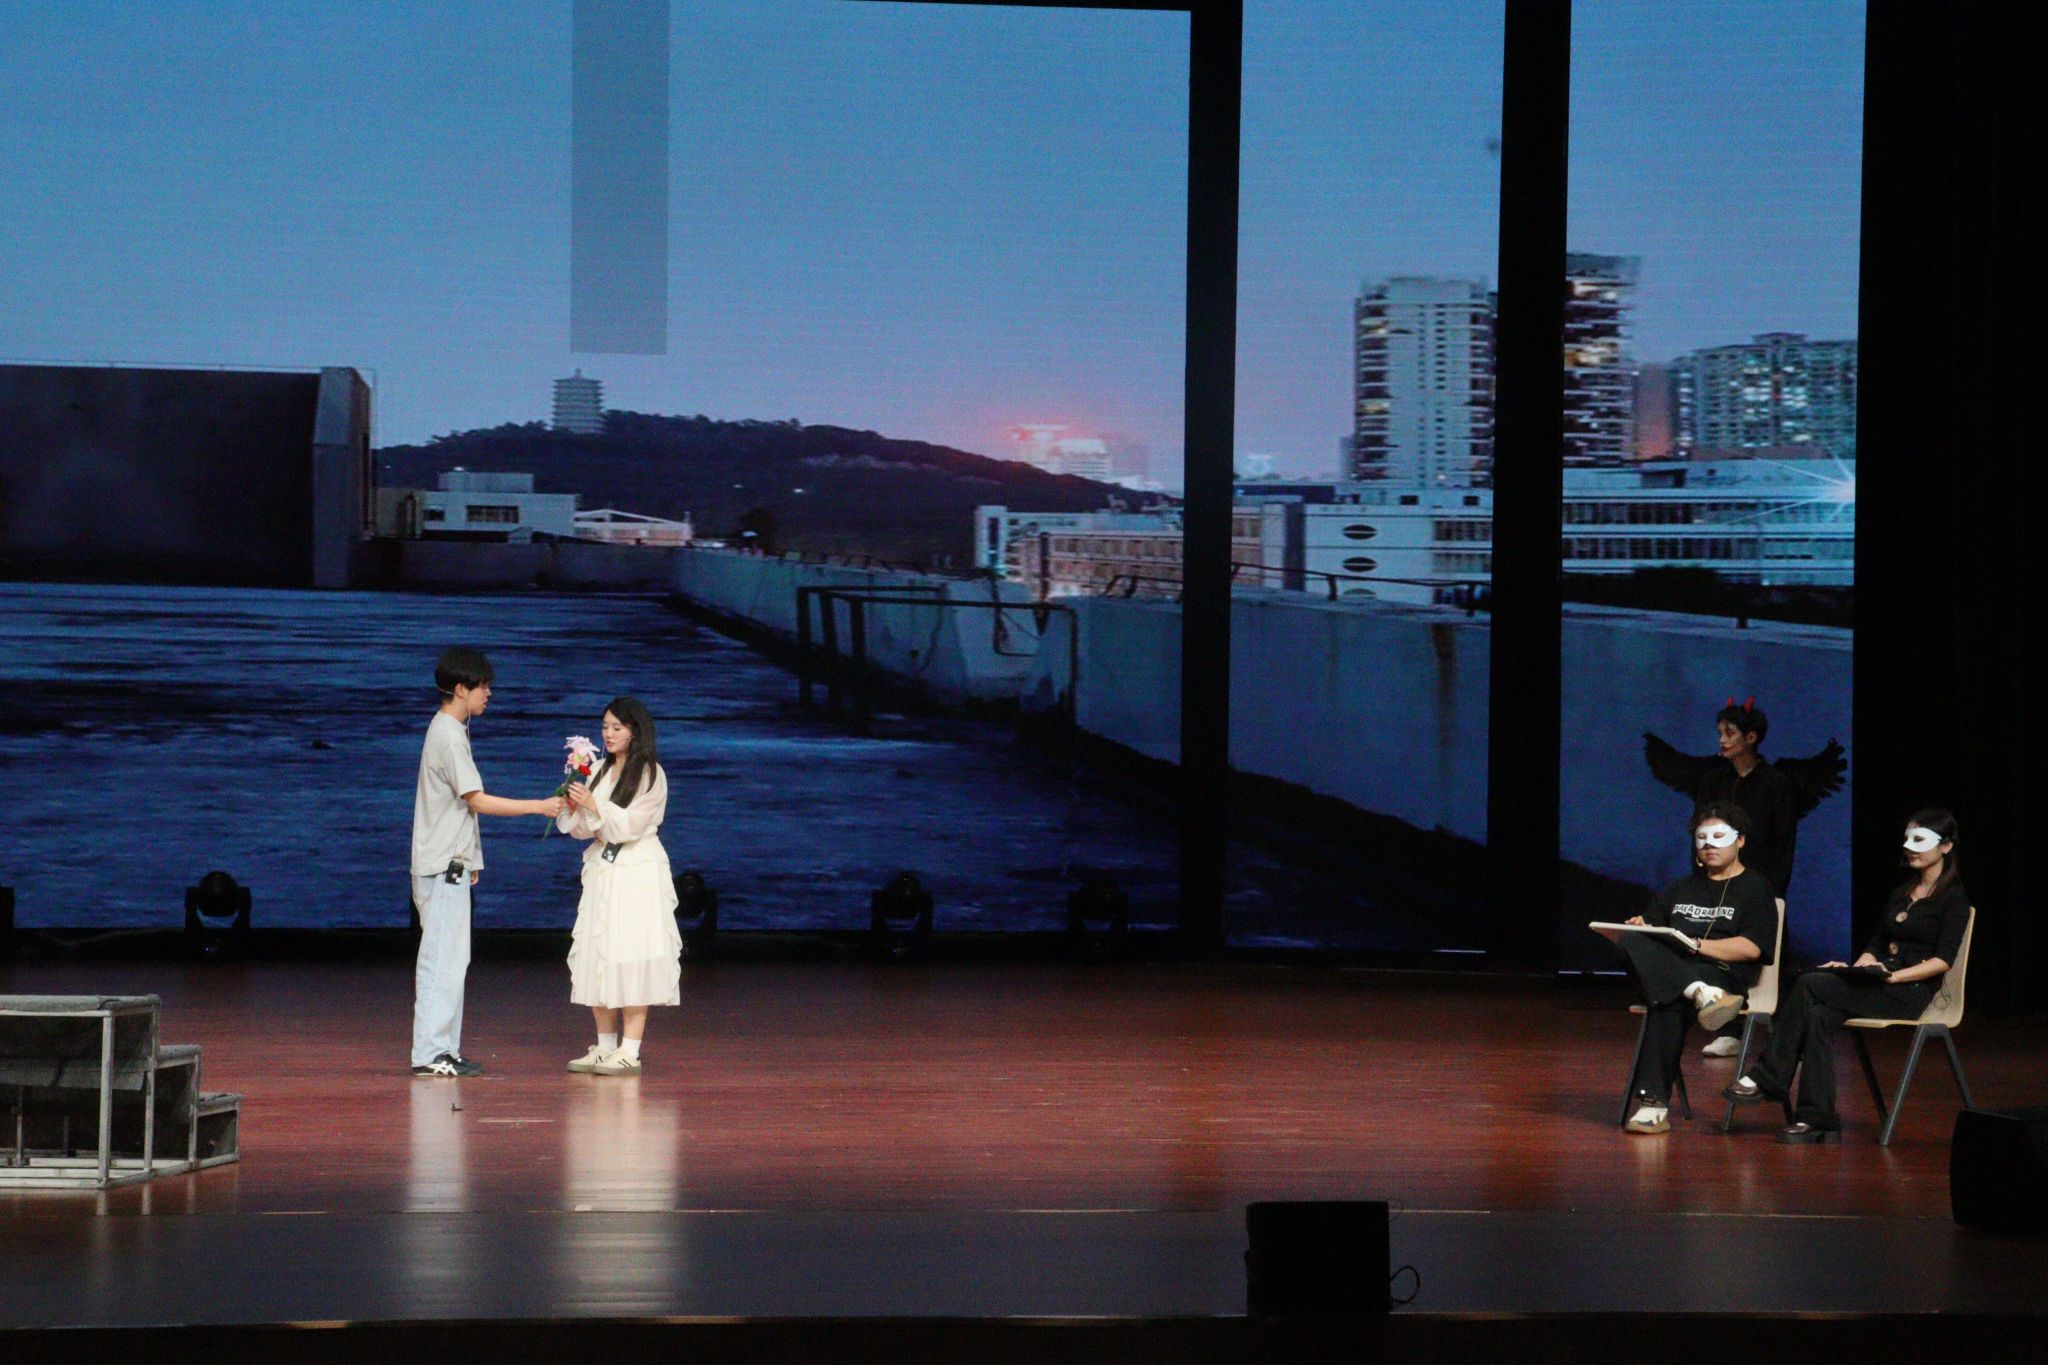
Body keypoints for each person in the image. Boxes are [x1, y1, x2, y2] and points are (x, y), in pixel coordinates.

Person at [1724, 809, 1969, 1143]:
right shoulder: (1901, 893)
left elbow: (1943, 960)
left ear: (1945, 847)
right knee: (1817, 1014)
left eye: (1920, 840)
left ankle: (1769, 1077)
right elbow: (1877, 944)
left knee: (1809, 983)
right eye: (1907, 839)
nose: (1910, 847)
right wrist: (1859, 968)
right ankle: (1816, 1120)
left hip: (1909, 991)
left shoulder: (1953, 899)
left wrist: (1897, 977)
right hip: (1879, 981)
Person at [1642, 698, 1845, 1056]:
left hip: (1758, 886)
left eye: (1730, 732)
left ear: (1751, 737)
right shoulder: (1713, 778)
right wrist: (1702, 878)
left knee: (1767, 959)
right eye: (1720, 732)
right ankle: (1729, 1028)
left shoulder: (1775, 783)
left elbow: (1783, 840)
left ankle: (1782, 1041)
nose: (1722, 739)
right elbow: (1700, 828)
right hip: (1714, 884)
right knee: (1706, 949)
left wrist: (1772, 891)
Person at [412, 647, 563, 1078]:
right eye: (483, 687)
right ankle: (430, 1052)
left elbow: (459, 808)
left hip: (450, 862)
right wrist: (538, 805)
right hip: (443, 865)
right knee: (442, 960)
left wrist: (472, 856)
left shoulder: (451, 730)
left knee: (452, 959)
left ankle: (443, 1049)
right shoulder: (447, 735)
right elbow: (475, 800)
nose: (488, 694)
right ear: (461, 689)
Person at [1616, 802, 1777, 1135]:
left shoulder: (1756, 889)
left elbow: (1752, 947)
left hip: (1722, 974)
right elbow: (1652, 928)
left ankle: (1652, 1105)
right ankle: (1700, 993)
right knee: (1629, 939)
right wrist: (1641, 926)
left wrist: (1695, 945)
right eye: (1702, 838)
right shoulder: (1681, 887)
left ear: (1740, 840)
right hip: (1682, 974)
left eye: (1719, 836)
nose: (1708, 845)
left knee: (1666, 999)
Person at [555, 697, 681, 1076]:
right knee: (599, 949)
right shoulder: (598, 769)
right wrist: (574, 807)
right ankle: (605, 1045)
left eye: (617, 727)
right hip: (603, 868)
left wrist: (594, 807)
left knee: (632, 951)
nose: (608, 734)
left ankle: (630, 1049)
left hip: (636, 868)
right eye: (605, 727)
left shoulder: (650, 774)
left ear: (635, 731)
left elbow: (631, 825)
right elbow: (585, 829)